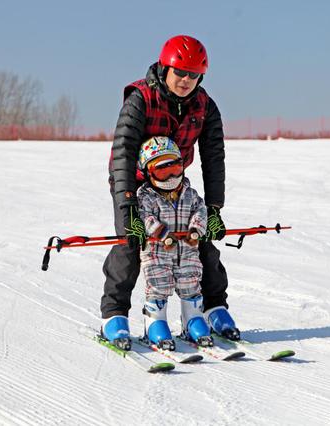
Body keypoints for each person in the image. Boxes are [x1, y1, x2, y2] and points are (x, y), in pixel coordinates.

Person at [101, 35, 240, 351]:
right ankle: (114, 315)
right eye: (180, 73)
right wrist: (128, 205)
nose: (186, 81)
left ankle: (214, 307)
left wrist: (214, 208)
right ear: (165, 68)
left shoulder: (205, 106)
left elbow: (213, 157)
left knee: (198, 240)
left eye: (193, 75)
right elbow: (122, 151)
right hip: (133, 182)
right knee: (131, 242)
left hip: (171, 181)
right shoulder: (141, 99)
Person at [136, 136, 213, 350]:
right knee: (158, 285)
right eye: (163, 170)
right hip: (156, 252)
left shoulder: (190, 193)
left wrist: (196, 230)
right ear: (149, 172)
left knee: (190, 282)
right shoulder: (146, 196)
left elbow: (200, 210)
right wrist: (161, 233)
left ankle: (193, 320)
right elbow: (145, 217)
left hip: (187, 250)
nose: (172, 176)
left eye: (176, 168)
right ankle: (155, 323)